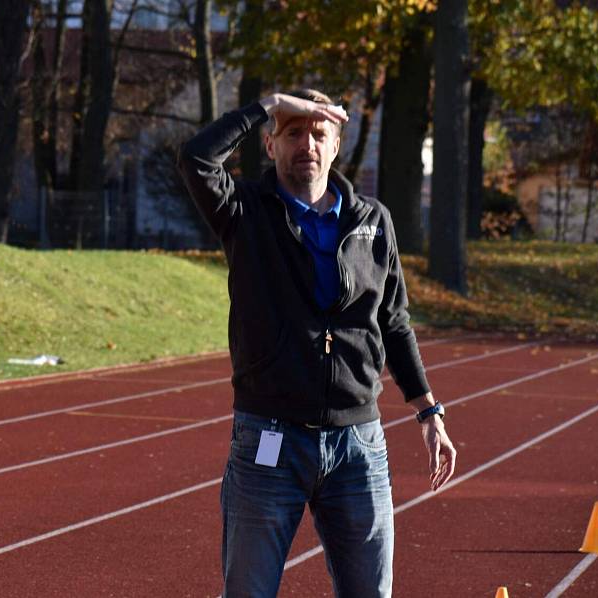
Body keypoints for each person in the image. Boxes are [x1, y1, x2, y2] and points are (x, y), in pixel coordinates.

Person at [177, 89, 457, 598]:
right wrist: (270, 103)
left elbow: (393, 323)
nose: (306, 142)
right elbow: (195, 156)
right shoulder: (244, 212)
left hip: (358, 447)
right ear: (269, 145)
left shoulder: (374, 222)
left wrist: (428, 411)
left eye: (318, 133)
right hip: (269, 440)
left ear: (334, 148)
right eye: (292, 131)